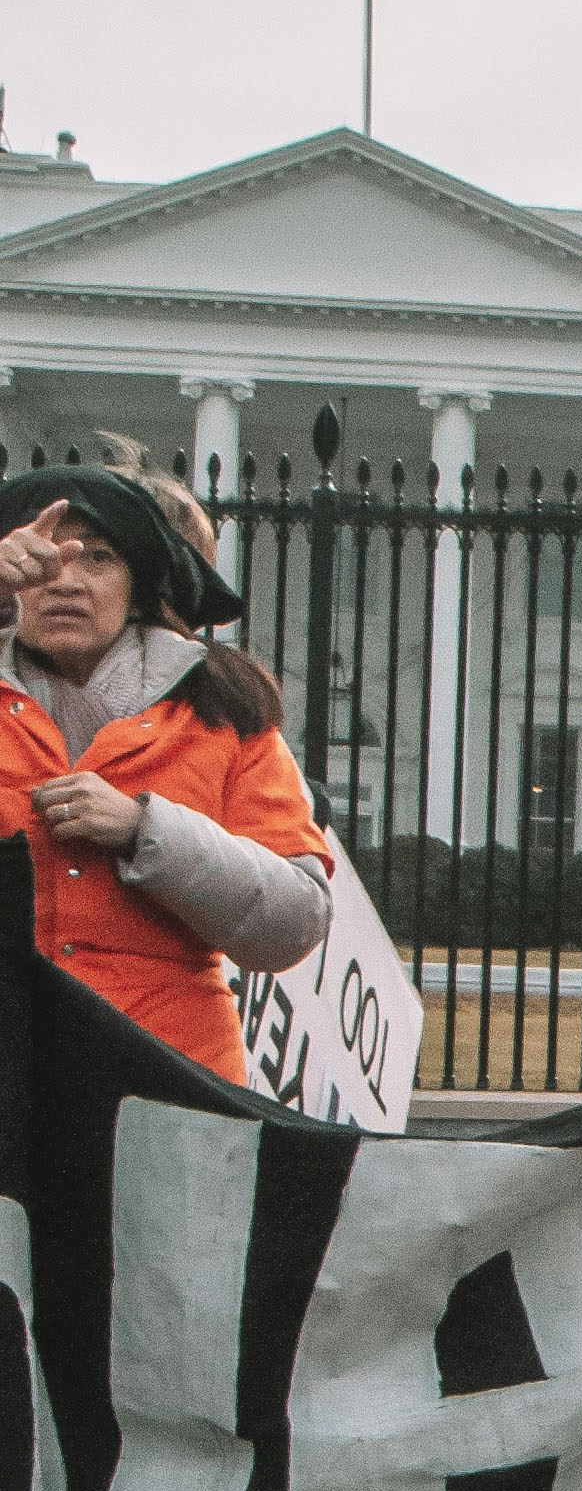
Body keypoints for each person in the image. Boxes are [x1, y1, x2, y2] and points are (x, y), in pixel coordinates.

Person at [0, 461, 330, 1083]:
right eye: (41, 556)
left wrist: (145, 829)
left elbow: (295, 921)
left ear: (138, 589)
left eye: (96, 559)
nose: (64, 580)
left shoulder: (222, 709)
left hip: (170, 1081)